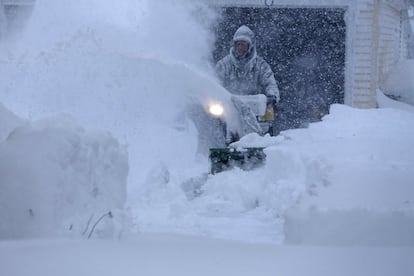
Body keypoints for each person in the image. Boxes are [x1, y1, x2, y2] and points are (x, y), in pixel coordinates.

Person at [215, 25, 280, 106]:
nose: (240, 48)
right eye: (238, 44)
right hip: (228, 108)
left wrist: (272, 96)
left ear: (250, 46)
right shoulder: (224, 65)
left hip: (256, 108)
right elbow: (215, 82)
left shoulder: (261, 65)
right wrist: (215, 96)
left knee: (269, 114)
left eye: (243, 44)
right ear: (234, 45)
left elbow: (270, 83)